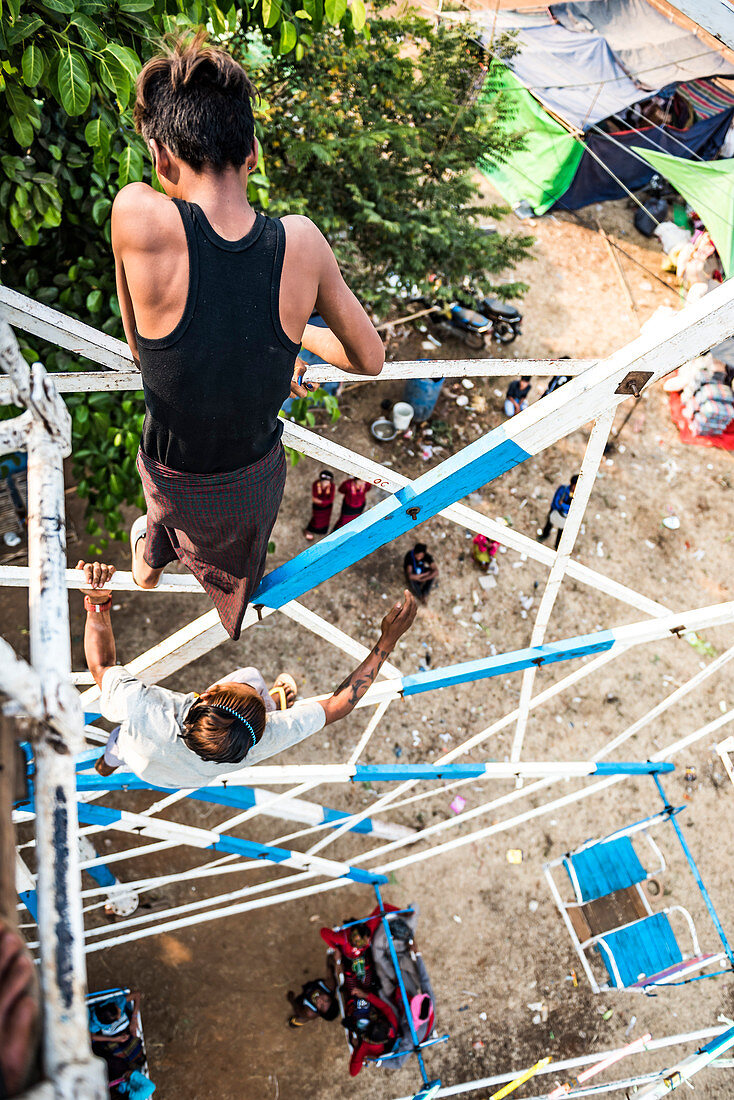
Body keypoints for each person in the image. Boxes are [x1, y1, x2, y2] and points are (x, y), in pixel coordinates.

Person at [113, 34, 385, 640]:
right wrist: (293, 339)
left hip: (171, 472)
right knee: (241, 562)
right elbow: (369, 357)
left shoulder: (137, 214)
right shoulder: (302, 244)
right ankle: (230, 603)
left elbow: (142, 348)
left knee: (160, 522)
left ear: (160, 159)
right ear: (254, 152)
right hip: (252, 479)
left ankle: (148, 563)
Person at [77, 561, 417, 788]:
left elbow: (102, 665)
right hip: (177, 779)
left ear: (205, 698)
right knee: (254, 677)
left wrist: (97, 601)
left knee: (116, 747)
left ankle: (104, 768)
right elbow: (338, 706)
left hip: (137, 753)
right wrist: (388, 640)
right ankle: (275, 700)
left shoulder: (145, 707)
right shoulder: (262, 741)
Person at [343, 987, 399, 1077]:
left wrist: (357, 1048)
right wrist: (366, 996)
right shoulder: (392, 1026)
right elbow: (385, 1008)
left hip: (353, 1006)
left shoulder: (364, 1047)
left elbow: (353, 1072)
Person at [538, 475, 578, 550]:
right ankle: (544, 535)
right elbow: (556, 502)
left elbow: (573, 509)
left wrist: (562, 504)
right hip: (555, 511)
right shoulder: (563, 489)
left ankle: (557, 546)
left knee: (561, 532)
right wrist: (565, 507)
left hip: (565, 516)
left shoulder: (577, 496)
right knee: (549, 524)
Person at [304, 470, 335, 541]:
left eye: (327, 482)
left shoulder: (332, 486)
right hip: (317, 507)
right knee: (316, 519)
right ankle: (309, 530)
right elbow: (314, 497)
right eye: (323, 481)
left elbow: (331, 499)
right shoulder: (316, 484)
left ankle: (322, 531)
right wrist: (323, 501)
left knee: (325, 520)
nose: (324, 484)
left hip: (327, 507)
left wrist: (321, 501)